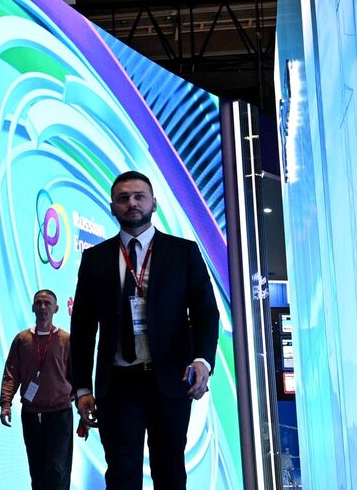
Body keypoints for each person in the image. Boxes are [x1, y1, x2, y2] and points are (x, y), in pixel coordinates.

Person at [66, 171, 217, 490]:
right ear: (112, 207)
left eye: (138, 196)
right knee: (121, 473)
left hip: (171, 381)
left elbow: (205, 312)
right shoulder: (95, 259)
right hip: (118, 383)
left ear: (154, 204)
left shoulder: (183, 252)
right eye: (123, 198)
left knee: (170, 470)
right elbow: (82, 328)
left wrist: (202, 361)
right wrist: (80, 388)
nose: (131, 203)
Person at [0, 289, 75, 490]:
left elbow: (77, 376)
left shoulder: (66, 340)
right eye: (39, 303)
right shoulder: (22, 340)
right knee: (37, 471)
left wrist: (83, 411)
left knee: (57, 470)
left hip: (60, 414)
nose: (43, 307)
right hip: (31, 415)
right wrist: (5, 404)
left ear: (56, 309)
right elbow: (11, 373)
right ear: (33, 307)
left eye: (47, 303)